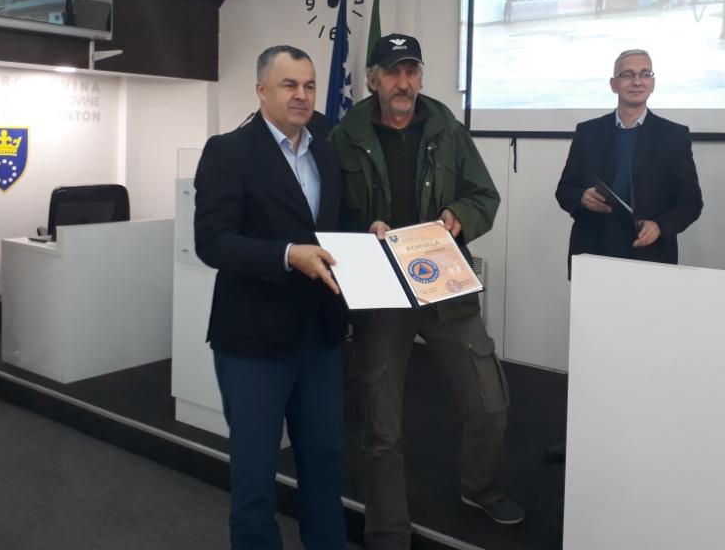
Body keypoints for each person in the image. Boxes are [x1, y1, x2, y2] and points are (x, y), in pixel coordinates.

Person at [330, 33, 524, 549]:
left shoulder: (446, 129)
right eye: (393, 72)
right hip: (381, 288)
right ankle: (387, 528)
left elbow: (484, 195)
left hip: (443, 281)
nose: (404, 82)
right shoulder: (344, 136)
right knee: (381, 420)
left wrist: (460, 215)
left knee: (489, 400)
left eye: (411, 71)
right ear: (372, 79)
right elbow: (329, 212)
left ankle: (479, 487)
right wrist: (362, 229)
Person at [193, 45, 347, 550]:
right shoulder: (228, 151)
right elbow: (212, 241)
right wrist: (286, 255)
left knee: (324, 468)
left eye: (309, 85)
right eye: (289, 85)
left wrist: (368, 230)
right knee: (255, 478)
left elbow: (332, 228)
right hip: (253, 343)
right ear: (262, 90)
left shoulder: (327, 150)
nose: (302, 95)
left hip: (321, 338)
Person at [548, 48, 703, 463]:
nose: (637, 80)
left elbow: (691, 202)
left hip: (648, 258)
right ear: (613, 83)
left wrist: (662, 226)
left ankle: (638, 441)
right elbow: (564, 190)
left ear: (653, 83)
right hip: (594, 256)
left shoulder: (674, 135)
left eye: (645, 73)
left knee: (642, 353)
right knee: (591, 354)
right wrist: (580, 197)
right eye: (628, 74)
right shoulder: (588, 132)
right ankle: (584, 439)